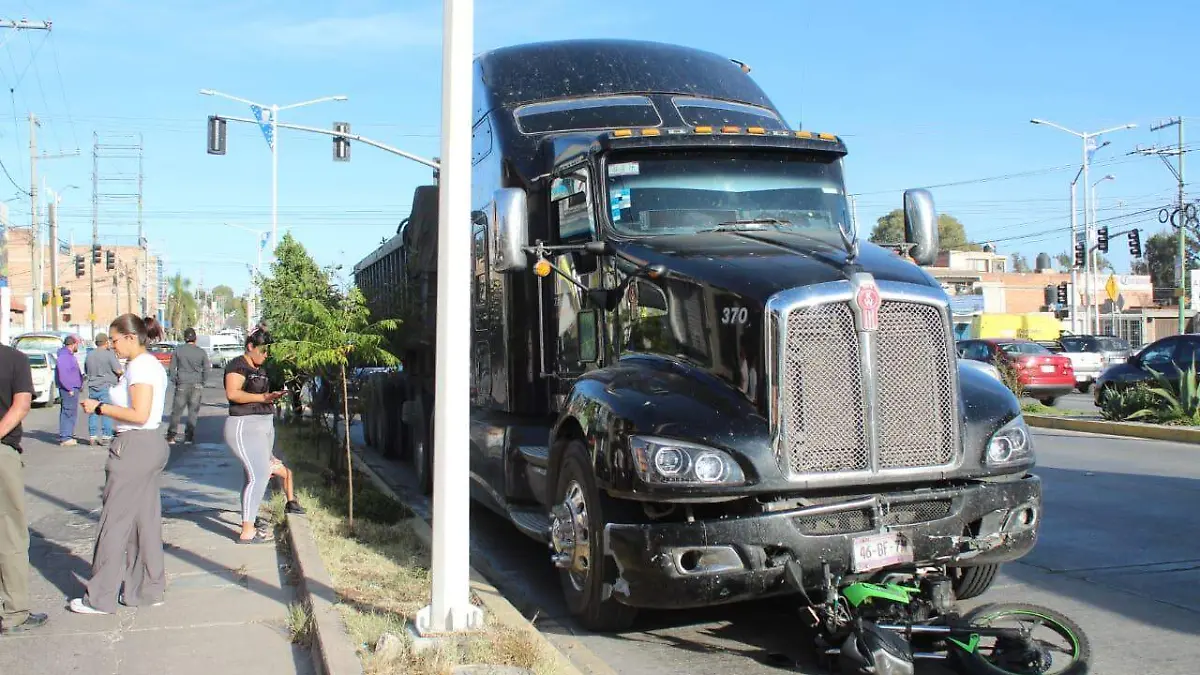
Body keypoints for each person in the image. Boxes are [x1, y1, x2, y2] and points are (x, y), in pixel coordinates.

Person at [71, 315, 171, 615]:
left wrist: (100, 407)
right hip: (150, 443)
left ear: (130, 336)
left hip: (134, 446)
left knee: (114, 523)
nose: (112, 346)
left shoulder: (140, 366)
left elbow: (139, 413)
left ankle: (100, 597)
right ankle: (146, 590)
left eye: (114, 340)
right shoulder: (148, 364)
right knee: (144, 522)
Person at [224, 328, 303, 544]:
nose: (265, 355)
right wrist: (264, 396)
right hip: (244, 425)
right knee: (259, 475)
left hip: (263, 425)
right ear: (250, 346)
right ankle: (247, 531)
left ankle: (251, 518)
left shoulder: (262, 368)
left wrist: (274, 395)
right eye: (262, 350)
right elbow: (233, 393)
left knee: (254, 475)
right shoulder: (238, 366)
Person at [0, 342, 44, 634]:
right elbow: (21, 405)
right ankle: (14, 612)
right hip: (3, 453)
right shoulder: (14, 359)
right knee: (10, 535)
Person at [167, 327, 210, 444]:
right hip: (196, 384)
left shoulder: (178, 350)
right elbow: (207, 368)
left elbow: (171, 369)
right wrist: (202, 381)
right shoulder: (201, 352)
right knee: (193, 412)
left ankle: (171, 435)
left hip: (182, 383)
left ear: (184, 338)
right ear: (195, 339)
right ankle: (189, 437)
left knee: (177, 411)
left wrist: (175, 380)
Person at [84, 333, 123, 446]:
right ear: (106, 342)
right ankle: (106, 436)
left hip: (92, 385)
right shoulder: (108, 354)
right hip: (106, 385)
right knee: (105, 410)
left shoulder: (89, 355)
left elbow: (86, 370)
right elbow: (118, 370)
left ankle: (92, 436)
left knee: (93, 411)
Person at [55, 336, 84, 446]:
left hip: (72, 388)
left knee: (71, 412)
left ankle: (68, 434)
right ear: (73, 344)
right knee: (68, 412)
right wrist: (69, 388)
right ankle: (66, 437)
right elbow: (63, 374)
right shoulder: (64, 357)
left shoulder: (68, 356)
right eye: (77, 344)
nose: (78, 347)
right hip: (69, 389)